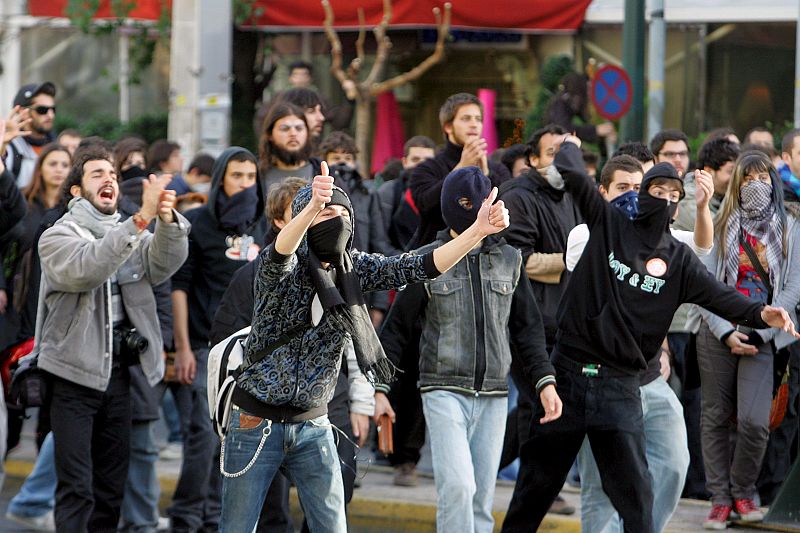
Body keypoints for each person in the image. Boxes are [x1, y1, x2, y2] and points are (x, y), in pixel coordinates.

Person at [500, 136, 798, 533]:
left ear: (678, 205)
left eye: (674, 193)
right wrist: (570, 144)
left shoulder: (679, 260)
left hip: (620, 388)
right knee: (533, 493)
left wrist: (764, 313)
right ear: (642, 195)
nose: (665, 198)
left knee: (637, 501)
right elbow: (573, 172)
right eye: (656, 190)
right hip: (567, 379)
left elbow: (722, 298)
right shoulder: (608, 226)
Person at [219, 161, 509, 532]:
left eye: (343, 212)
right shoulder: (280, 269)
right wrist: (310, 207)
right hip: (255, 421)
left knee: (333, 526)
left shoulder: (355, 270)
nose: (335, 218)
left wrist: (477, 231)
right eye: (326, 211)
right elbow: (281, 252)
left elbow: (418, 266)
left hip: (314, 425)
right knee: (237, 527)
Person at [377, 166, 561, 533]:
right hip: (442, 389)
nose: (476, 210)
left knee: (481, 500)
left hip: (494, 394)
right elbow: (395, 331)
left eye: (483, 202)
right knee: (458, 488)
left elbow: (528, 329)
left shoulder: (510, 259)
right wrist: (380, 390)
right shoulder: (427, 260)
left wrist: (545, 381)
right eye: (466, 203)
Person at [36, 145, 189, 532]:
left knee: (110, 489)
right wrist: (141, 220)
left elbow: (163, 265)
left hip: (120, 376)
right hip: (72, 376)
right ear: (76, 190)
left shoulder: (129, 230)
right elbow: (88, 268)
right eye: (97, 174)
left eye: (114, 175)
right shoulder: (57, 237)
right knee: (77, 489)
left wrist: (167, 221)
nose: (109, 180)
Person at [564, 154, 713, 533]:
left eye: (638, 188)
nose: (632, 198)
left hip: (646, 379)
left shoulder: (662, 240)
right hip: (595, 380)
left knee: (674, 463)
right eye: (622, 189)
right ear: (602, 193)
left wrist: (700, 207)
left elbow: (699, 249)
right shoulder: (587, 234)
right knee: (599, 485)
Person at [695, 150, 800, 529]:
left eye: (762, 178)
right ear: (736, 183)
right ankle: (720, 499)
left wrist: (761, 328)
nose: (755, 186)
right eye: (747, 179)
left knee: (755, 422)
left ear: (773, 181)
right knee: (716, 417)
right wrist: (726, 331)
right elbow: (703, 283)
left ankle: (743, 490)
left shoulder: (790, 226)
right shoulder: (720, 221)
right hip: (717, 333)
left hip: (764, 335)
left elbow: (792, 288)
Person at [169, 147, 268, 532]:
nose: (244, 184)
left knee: (233, 446)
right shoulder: (198, 223)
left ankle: (213, 519)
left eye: (249, 177)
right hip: (204, 348)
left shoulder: (262, 228)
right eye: (236, 176)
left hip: (253, 354)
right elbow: (180, 288)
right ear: (220, 180)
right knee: (202, 441)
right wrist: (181, 347)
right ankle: (184, 517)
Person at [410, 92, 511, 248]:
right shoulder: (427, 168)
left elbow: (507, 205)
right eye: (466, 118)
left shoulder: (497, 169)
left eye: (478, 119)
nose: (474, 124)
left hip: (486, 255)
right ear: (448, 126)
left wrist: (485, 175)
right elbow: (425, 205)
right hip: (436, 256)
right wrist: (461, 168)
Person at [375, 136, 436, 252]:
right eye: (415, 160)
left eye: (427, 161)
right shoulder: (388, 192)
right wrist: (404, 263)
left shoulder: (443, 194)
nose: (421, 166)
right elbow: (379, 240)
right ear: (405, 162)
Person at [2, 82, 57, 188]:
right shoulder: (9, 147)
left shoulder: (58, 147)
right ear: (24, 112)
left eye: (53, 109)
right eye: (43, 110)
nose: (51, 115)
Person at [259, 101, 323, 191]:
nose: (293, 134)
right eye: (285, 129)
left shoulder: (323, 171)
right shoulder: (256, 175)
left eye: (299, 128)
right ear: (270, 135)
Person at [544, 72, 616, 145]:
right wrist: (595, 131)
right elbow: (564, 128)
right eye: (588, 89)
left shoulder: (568, 106)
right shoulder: (560, 106)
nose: (589, 94)